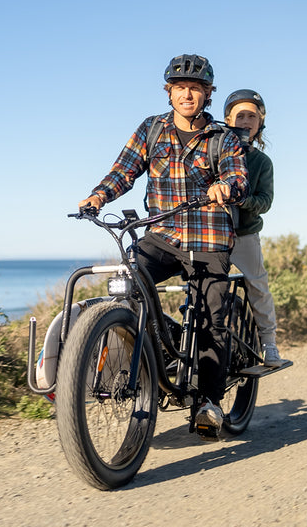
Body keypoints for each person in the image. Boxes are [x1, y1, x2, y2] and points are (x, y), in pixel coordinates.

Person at [78, 54, 248, 436]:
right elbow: (125, 169)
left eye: (196, 89)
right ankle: (151, 359)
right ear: (170, 93)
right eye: (180, 88)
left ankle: (208, 401)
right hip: (162, 235)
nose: (187, 95)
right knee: (127, 287)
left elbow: (238, 175)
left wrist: (227, 186)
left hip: (209, 240)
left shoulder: (223, 138)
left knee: (211, 320)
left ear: (207, 94)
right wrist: (98, 197)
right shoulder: (151, 130)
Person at [222, 89, 286, 367]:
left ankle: (269, 342)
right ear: (227, 119)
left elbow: (265, 201)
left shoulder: (262, 162)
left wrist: (241, 200)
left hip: (244, 234)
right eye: (240, 115)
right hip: (211, 232)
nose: (246, 121)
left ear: (260, 122)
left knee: (257, 286)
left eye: (252, 116)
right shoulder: (215, 151)